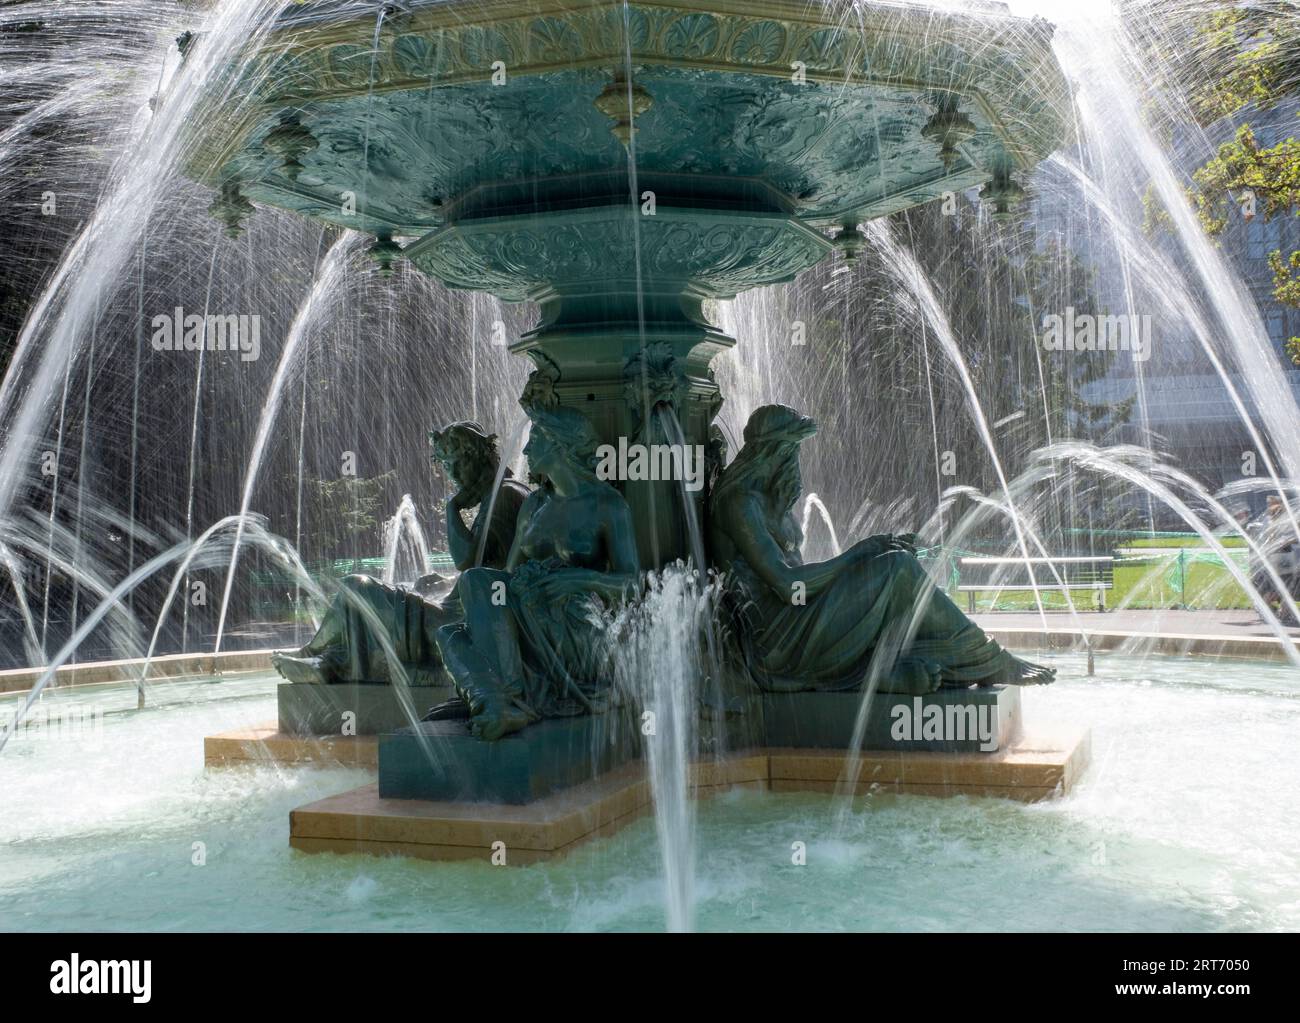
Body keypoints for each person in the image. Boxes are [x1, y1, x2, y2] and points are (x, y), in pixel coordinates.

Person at [708, 404, 1055, 695]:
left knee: (890, 564)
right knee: (896, 569)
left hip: (798, 617)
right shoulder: (739, 504)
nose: (796, 457)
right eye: (791, 448)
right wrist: (859, 553)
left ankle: (901, 668)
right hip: (779, 640)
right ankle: (986, 660)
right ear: (773, 451)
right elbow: (787, 584)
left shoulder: (767, 499)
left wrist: (867, 555)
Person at [433, 405, 641, 739]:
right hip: (534, 612)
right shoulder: (534, 506)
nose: (526, 449)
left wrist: (581, 578)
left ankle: (501, 697)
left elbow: (634, 583)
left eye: (536, 441)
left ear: (561, 445)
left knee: (474, 586)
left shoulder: (607, 505)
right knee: (450, 634)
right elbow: (509, 576)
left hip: (577, 625)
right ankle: (501, 699)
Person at [270, 421, 529, 685]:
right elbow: (494, 565)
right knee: (385, 594)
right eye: (447, 466)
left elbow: (465, 559)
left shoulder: (504, 496)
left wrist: (452, 509)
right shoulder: (507, 492)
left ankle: (314, 653)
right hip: (466, 615)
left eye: (458, 463)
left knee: (356, 587)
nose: (453, 474)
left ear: (479, 456)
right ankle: (329, 661)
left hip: (456, 626)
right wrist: (449, 581)